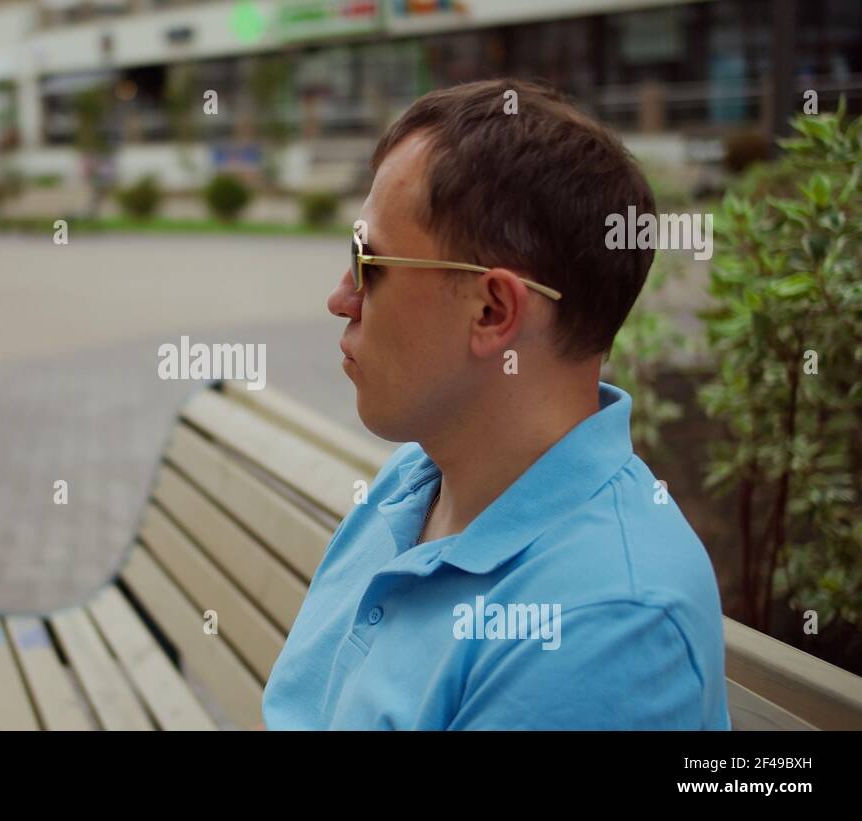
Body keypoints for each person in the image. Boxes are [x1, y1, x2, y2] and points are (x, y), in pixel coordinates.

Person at [261, 79, 730, 730]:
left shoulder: (604, 623)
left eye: (365, 258)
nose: (340, 297)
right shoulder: (415, 477)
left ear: (492, 310)